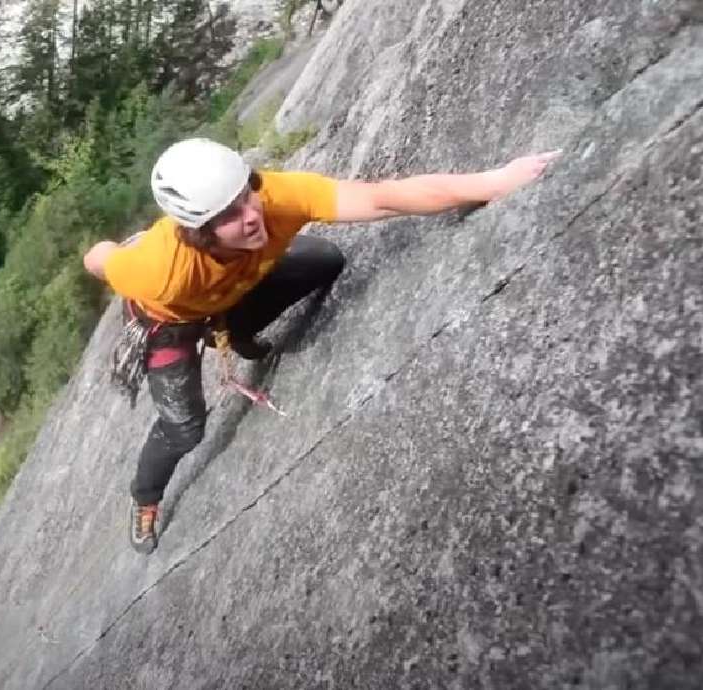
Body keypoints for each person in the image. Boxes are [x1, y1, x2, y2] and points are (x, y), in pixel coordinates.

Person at [82, 138, 559, 554]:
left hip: (232, 289)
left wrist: (494, 182)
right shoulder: (155, 270)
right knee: (185, 428)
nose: (252, 215)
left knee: (324, 259)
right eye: (229, 215)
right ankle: (144, 497)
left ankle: (237, 331)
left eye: (246, 194)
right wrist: (124, 248)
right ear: (199, 231)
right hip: (172, 324)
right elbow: (98, 259)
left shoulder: (276, 198)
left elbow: (381, 198)